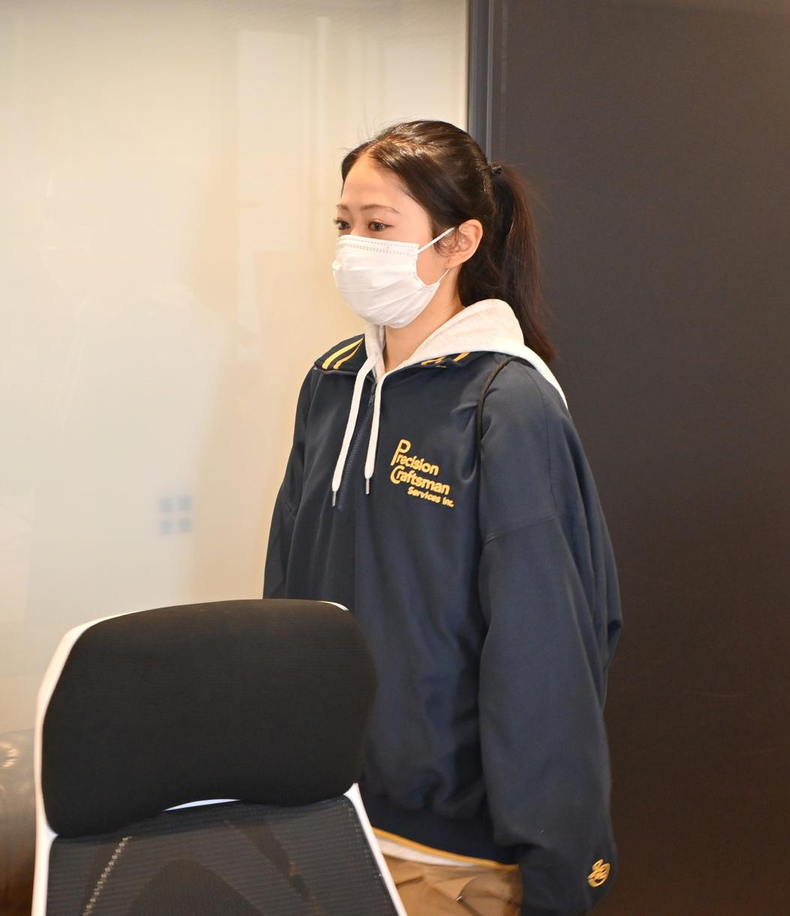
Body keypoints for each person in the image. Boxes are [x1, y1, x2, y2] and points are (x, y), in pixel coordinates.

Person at [264, 119, 622, 916]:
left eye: (379, 226)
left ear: (458, 242)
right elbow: (287, 594)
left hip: (453, 856)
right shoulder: (332, 384)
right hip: (327, 823)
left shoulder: (506, 403)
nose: (353, 248)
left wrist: (558, 865)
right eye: (345, 224)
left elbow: (548, 655)